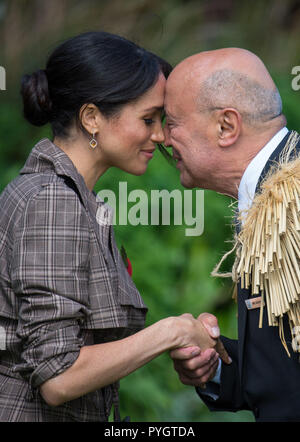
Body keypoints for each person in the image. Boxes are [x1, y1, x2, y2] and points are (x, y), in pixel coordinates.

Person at [0, 31, 230, 422]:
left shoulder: (74, 199)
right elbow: (58, 376)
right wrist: (171, 332)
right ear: (91, 118)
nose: (160, 136)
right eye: (148, 119)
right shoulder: (52, 201)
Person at [165, 48, 300, 422]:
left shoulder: (293, 201)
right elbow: (287, 372)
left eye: (171, 121)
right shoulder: (268, 194)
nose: (161, 136)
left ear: (226, 127)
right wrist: (218, 363)